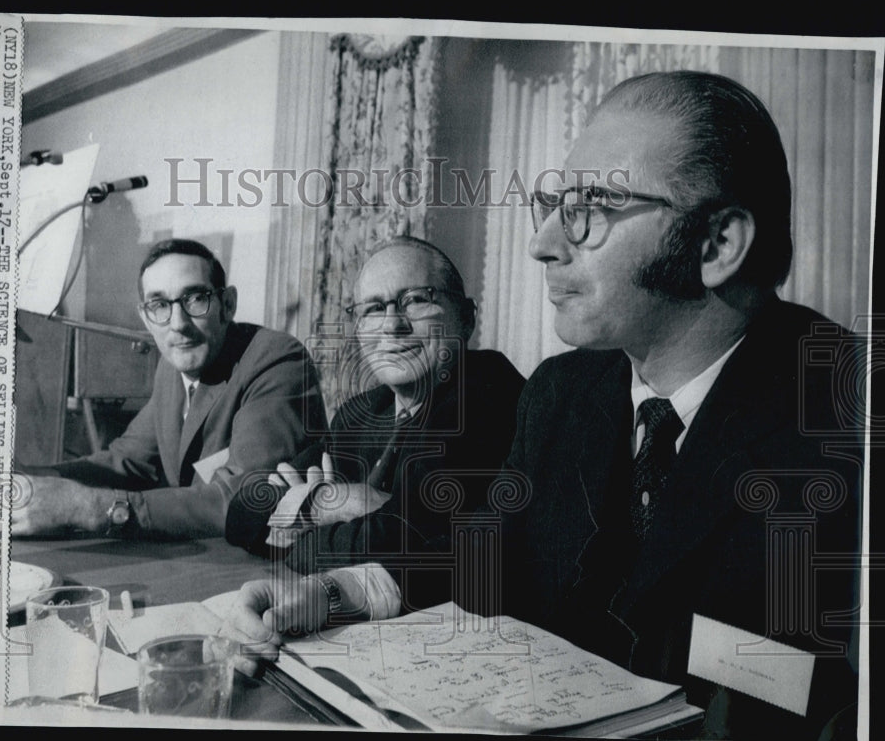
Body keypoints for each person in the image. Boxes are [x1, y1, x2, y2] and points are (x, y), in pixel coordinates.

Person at [220, 72, 864, 739]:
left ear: (717, 244)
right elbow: (488, 556)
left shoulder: (854, 414)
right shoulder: (565, 391)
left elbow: (831, 690)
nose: (544, 242)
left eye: (590, 208)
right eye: (553, 204)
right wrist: (328, 595)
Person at [226, 237, 525, 614]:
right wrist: (321, 502)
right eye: (373, 308)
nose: (392, 325)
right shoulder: (363, 412)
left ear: (466, 317)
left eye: (417, 299)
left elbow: (400, 539)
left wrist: (298, 530)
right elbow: (242, 510)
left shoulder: (488, 394)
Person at [11, 238, 327, 539]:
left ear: (227, 304)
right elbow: (129, 461)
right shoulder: (172, 366)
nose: (177, 323)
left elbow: (244, 500)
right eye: (159, 305)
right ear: (146, 317)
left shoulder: (276, 360)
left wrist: (89, 507)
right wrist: (35, 480)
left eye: (195, 298)